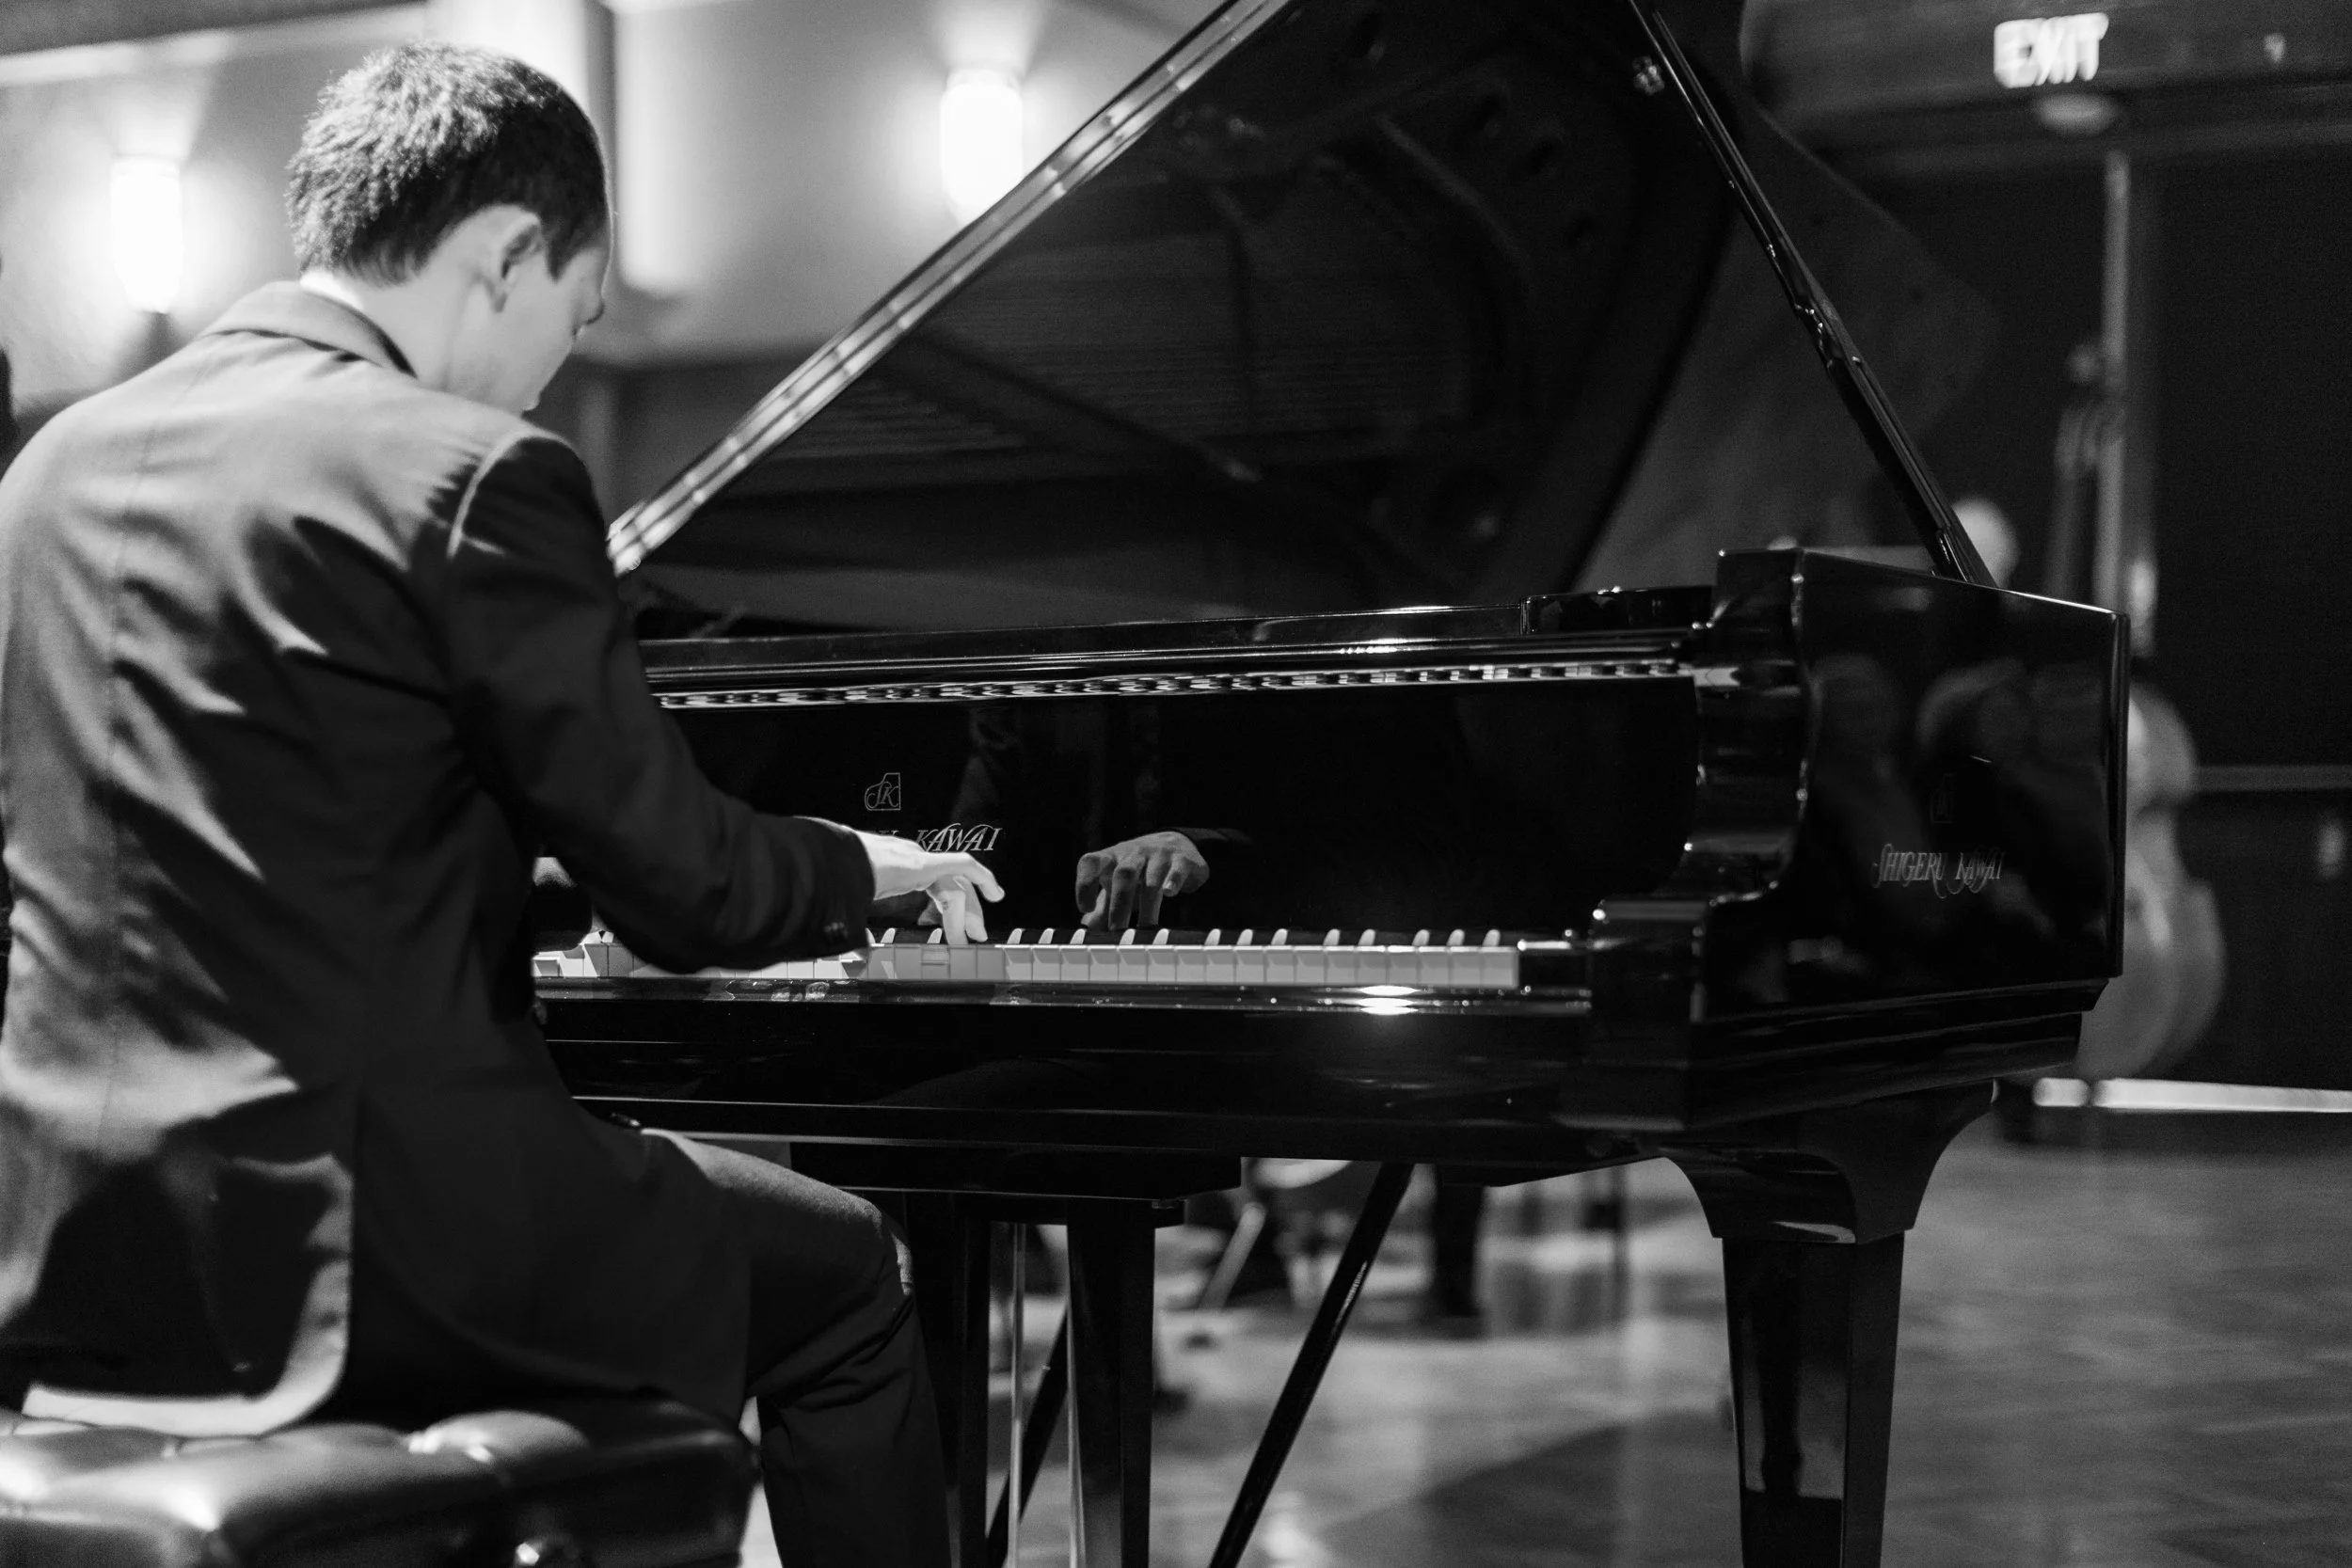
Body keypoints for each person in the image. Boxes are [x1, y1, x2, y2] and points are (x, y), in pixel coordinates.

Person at [0, 42, 995, 1568]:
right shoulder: (467, 472)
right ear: (505, 253)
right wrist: (855, 863)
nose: (549, 369)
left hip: (72, 1236)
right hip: (376, 1244)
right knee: (851, 1276)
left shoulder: (48, 474)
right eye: (572, 318)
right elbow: (690, 892)